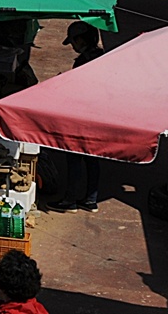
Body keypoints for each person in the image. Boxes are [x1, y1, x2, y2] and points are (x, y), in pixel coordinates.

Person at [50, 22, 104, 213]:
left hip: (81, 116)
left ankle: (70, 200)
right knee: (92, 158)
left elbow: (78, 89)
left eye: (73, 41)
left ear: (80, 39)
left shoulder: (83, 61)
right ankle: (91, 199)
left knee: (73, 157)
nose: (73, 46)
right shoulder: (103, 57)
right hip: (98, 116)